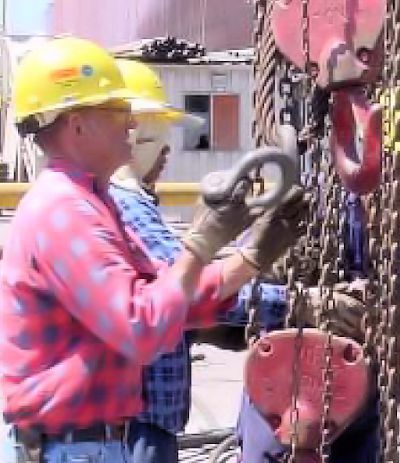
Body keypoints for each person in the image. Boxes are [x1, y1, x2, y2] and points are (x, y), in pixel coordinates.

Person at [0, 37, 308, 463]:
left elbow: (165, 296)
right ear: (76, 126)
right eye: (117, 112)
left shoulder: (92, 201)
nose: (131, 125)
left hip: (91, 444)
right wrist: (202, 245)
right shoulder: (65, 211)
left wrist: (249, 258)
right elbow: (141, 327)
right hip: (77, 449)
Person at [109, 60, 368, 463]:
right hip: (133, 424)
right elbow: (186, 296)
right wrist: (300, 303)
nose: (167, 151)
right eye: (158, 134)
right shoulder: (126, 206)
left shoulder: (117, 204)